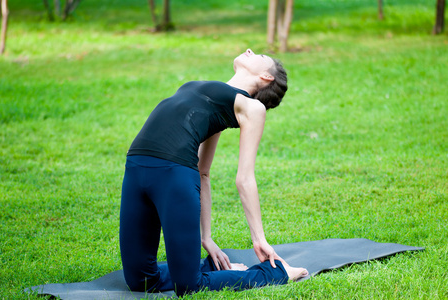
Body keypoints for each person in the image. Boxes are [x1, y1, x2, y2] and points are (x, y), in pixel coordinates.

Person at [119, 49, 308, 296]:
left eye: (260, 55)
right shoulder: (215, 98)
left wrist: (259, 239)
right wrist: (206, 237)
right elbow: (204, 172)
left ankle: (277, 272)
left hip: (173, 177)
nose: (250, 50)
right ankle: (213, 267)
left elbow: (245, 177)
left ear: (266, 77)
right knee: (140, 280)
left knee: (188, 287)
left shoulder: (252, 108)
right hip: (136, 167)